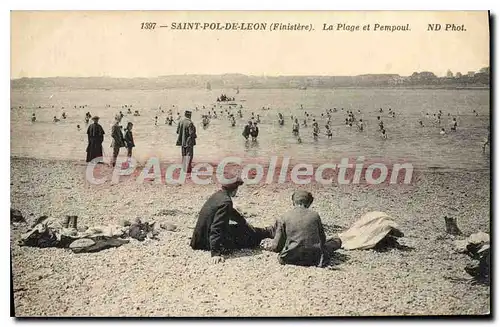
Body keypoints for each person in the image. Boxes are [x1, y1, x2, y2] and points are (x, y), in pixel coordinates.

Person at [190, 178, 274, 264]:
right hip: (205, 242)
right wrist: (215, 253)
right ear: (234, 189)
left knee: (243, 229)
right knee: (248, 237)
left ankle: (268, 231)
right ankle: (269, 232)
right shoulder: (226, 201)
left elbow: (231, 212)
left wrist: (243, 222)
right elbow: (217, 227)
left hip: (199, 238)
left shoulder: (218, 195)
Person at [264, 190, 342, 267]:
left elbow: (277, 246)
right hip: (314, 258)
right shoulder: (315, 215)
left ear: (293, 202)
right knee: (336, 241)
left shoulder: (284, 217)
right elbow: (322, 240)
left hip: (290, 258)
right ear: (309, 203)